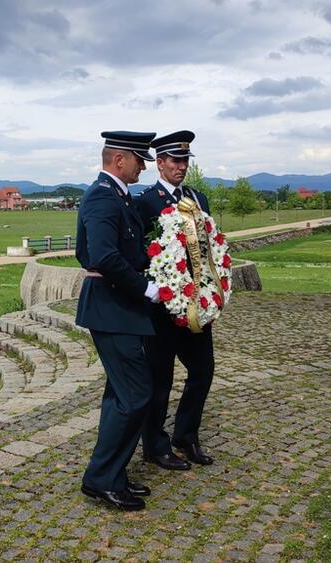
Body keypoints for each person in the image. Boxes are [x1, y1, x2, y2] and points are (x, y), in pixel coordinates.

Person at [76, 130, 160, 511]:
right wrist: (146, 288)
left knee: (120, 395)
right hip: (112, 309)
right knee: (136, 395)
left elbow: (125, 252)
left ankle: (110, 473)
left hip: (120, 308)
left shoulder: (119, 197)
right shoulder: (101, 197)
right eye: (140, 159)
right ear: (120, 160)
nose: (144, 165)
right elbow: (101, 256)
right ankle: (101, 478)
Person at [135, 130, 215, 471]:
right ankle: (154, 445)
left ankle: (186, 435)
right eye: (174, 161)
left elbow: (209, 245)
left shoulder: (198, 198)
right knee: (160, 379)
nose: (181, 167)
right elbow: (140, 253)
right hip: (162, 308)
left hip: (196, 306)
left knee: (203, 370)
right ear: (161, 164)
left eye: (185, 161)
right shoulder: (146, 203)